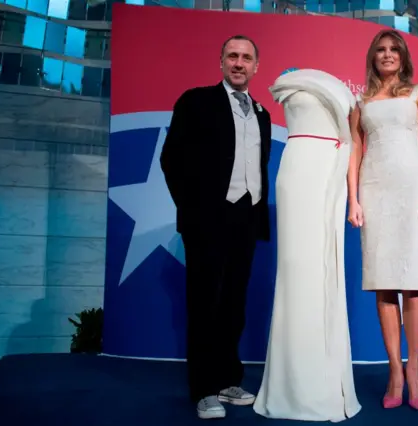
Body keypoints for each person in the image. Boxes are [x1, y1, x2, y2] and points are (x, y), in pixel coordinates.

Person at [160, 35, 272, 420]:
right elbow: (171, 158)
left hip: (247, 217)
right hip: (207, 219)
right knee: (205, 303)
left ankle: (227, 380)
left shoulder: (262, 113)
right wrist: (193, 210)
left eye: (246, 58)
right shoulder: (195, 101)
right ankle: (203, 389)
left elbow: (258, 166)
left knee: (233, 304)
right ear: (221, 62)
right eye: (233, 56)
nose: (239, 63)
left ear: (257, 66)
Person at [253, 69, 362, 422]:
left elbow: (353, 143)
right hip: (298, 173)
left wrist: (353, 196)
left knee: (321, 272)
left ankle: (324, 380)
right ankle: (291, 383)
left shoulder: (345, 95)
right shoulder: (289, 85)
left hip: (329, 173)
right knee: (295, 272)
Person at [347, 29, 418, 411]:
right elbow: (355, 150)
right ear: (373, 57)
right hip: (374, 189)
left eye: (394, 50)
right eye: (381, 50)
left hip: (413, 187)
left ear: (403, 57)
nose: (387, 55)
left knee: (413, 282)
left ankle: (416, 367)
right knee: (384, 283)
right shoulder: (359, 100)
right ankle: (394, 371)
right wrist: (352, 199)